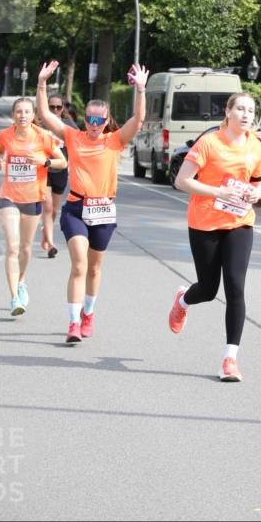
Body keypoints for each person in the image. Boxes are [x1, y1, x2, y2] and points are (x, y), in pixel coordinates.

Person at [36, 59, 148, 342]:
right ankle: (73, 324)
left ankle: (88, 313)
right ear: (84, 118)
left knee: (95, 267)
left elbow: (138, 121)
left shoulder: (114, 141)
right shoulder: (74, 137)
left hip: (104, 211)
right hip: (75, 208)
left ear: (106, 120)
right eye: (90, 119)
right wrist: (41, 83)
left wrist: (141, 90)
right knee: (79, 265)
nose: (95, 124)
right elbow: (46, 116)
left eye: (100, 120)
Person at [170, 92, 261, 382]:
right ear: (228, 111)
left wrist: (256, 194)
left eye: (250, 110)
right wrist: (217, 192)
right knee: (209, 289)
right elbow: (181, 180)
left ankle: (229, 360)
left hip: (240, 222)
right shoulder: (209, 143)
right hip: (205, 223)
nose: (246, 114)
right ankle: (182, 301)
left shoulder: (255, 146)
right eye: (240, 108)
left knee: (235, 287)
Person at [0, 97, 67, 315]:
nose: (22, 115)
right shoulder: (5, 135)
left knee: (25, 248)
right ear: (13, 114)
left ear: (33, 115)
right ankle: (15, 298)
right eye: (18, 112)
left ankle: (22, 280)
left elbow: (63, 162)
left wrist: (44, 162)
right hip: (9, 197)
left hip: (33, 198)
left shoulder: (43, 136)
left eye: (26, 112)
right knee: (12, 247)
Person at [40, 94, 77, 258]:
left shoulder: (68, 125)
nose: (55, 110)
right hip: (44, 169)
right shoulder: (41, 125)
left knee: (54, 210)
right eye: (51, 107)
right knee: (47, 207)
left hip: (61, 170)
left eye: (58, 107)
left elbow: (78, 143)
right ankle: (50, 244)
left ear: (63, 109)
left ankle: (45, 231)